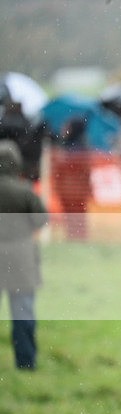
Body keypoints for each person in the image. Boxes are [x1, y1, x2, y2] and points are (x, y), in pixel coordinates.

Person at [0, 140, 48, 370]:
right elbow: (41, 219)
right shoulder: (24, 191)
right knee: (22, 313)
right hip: (21, 260)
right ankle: (26, 362)